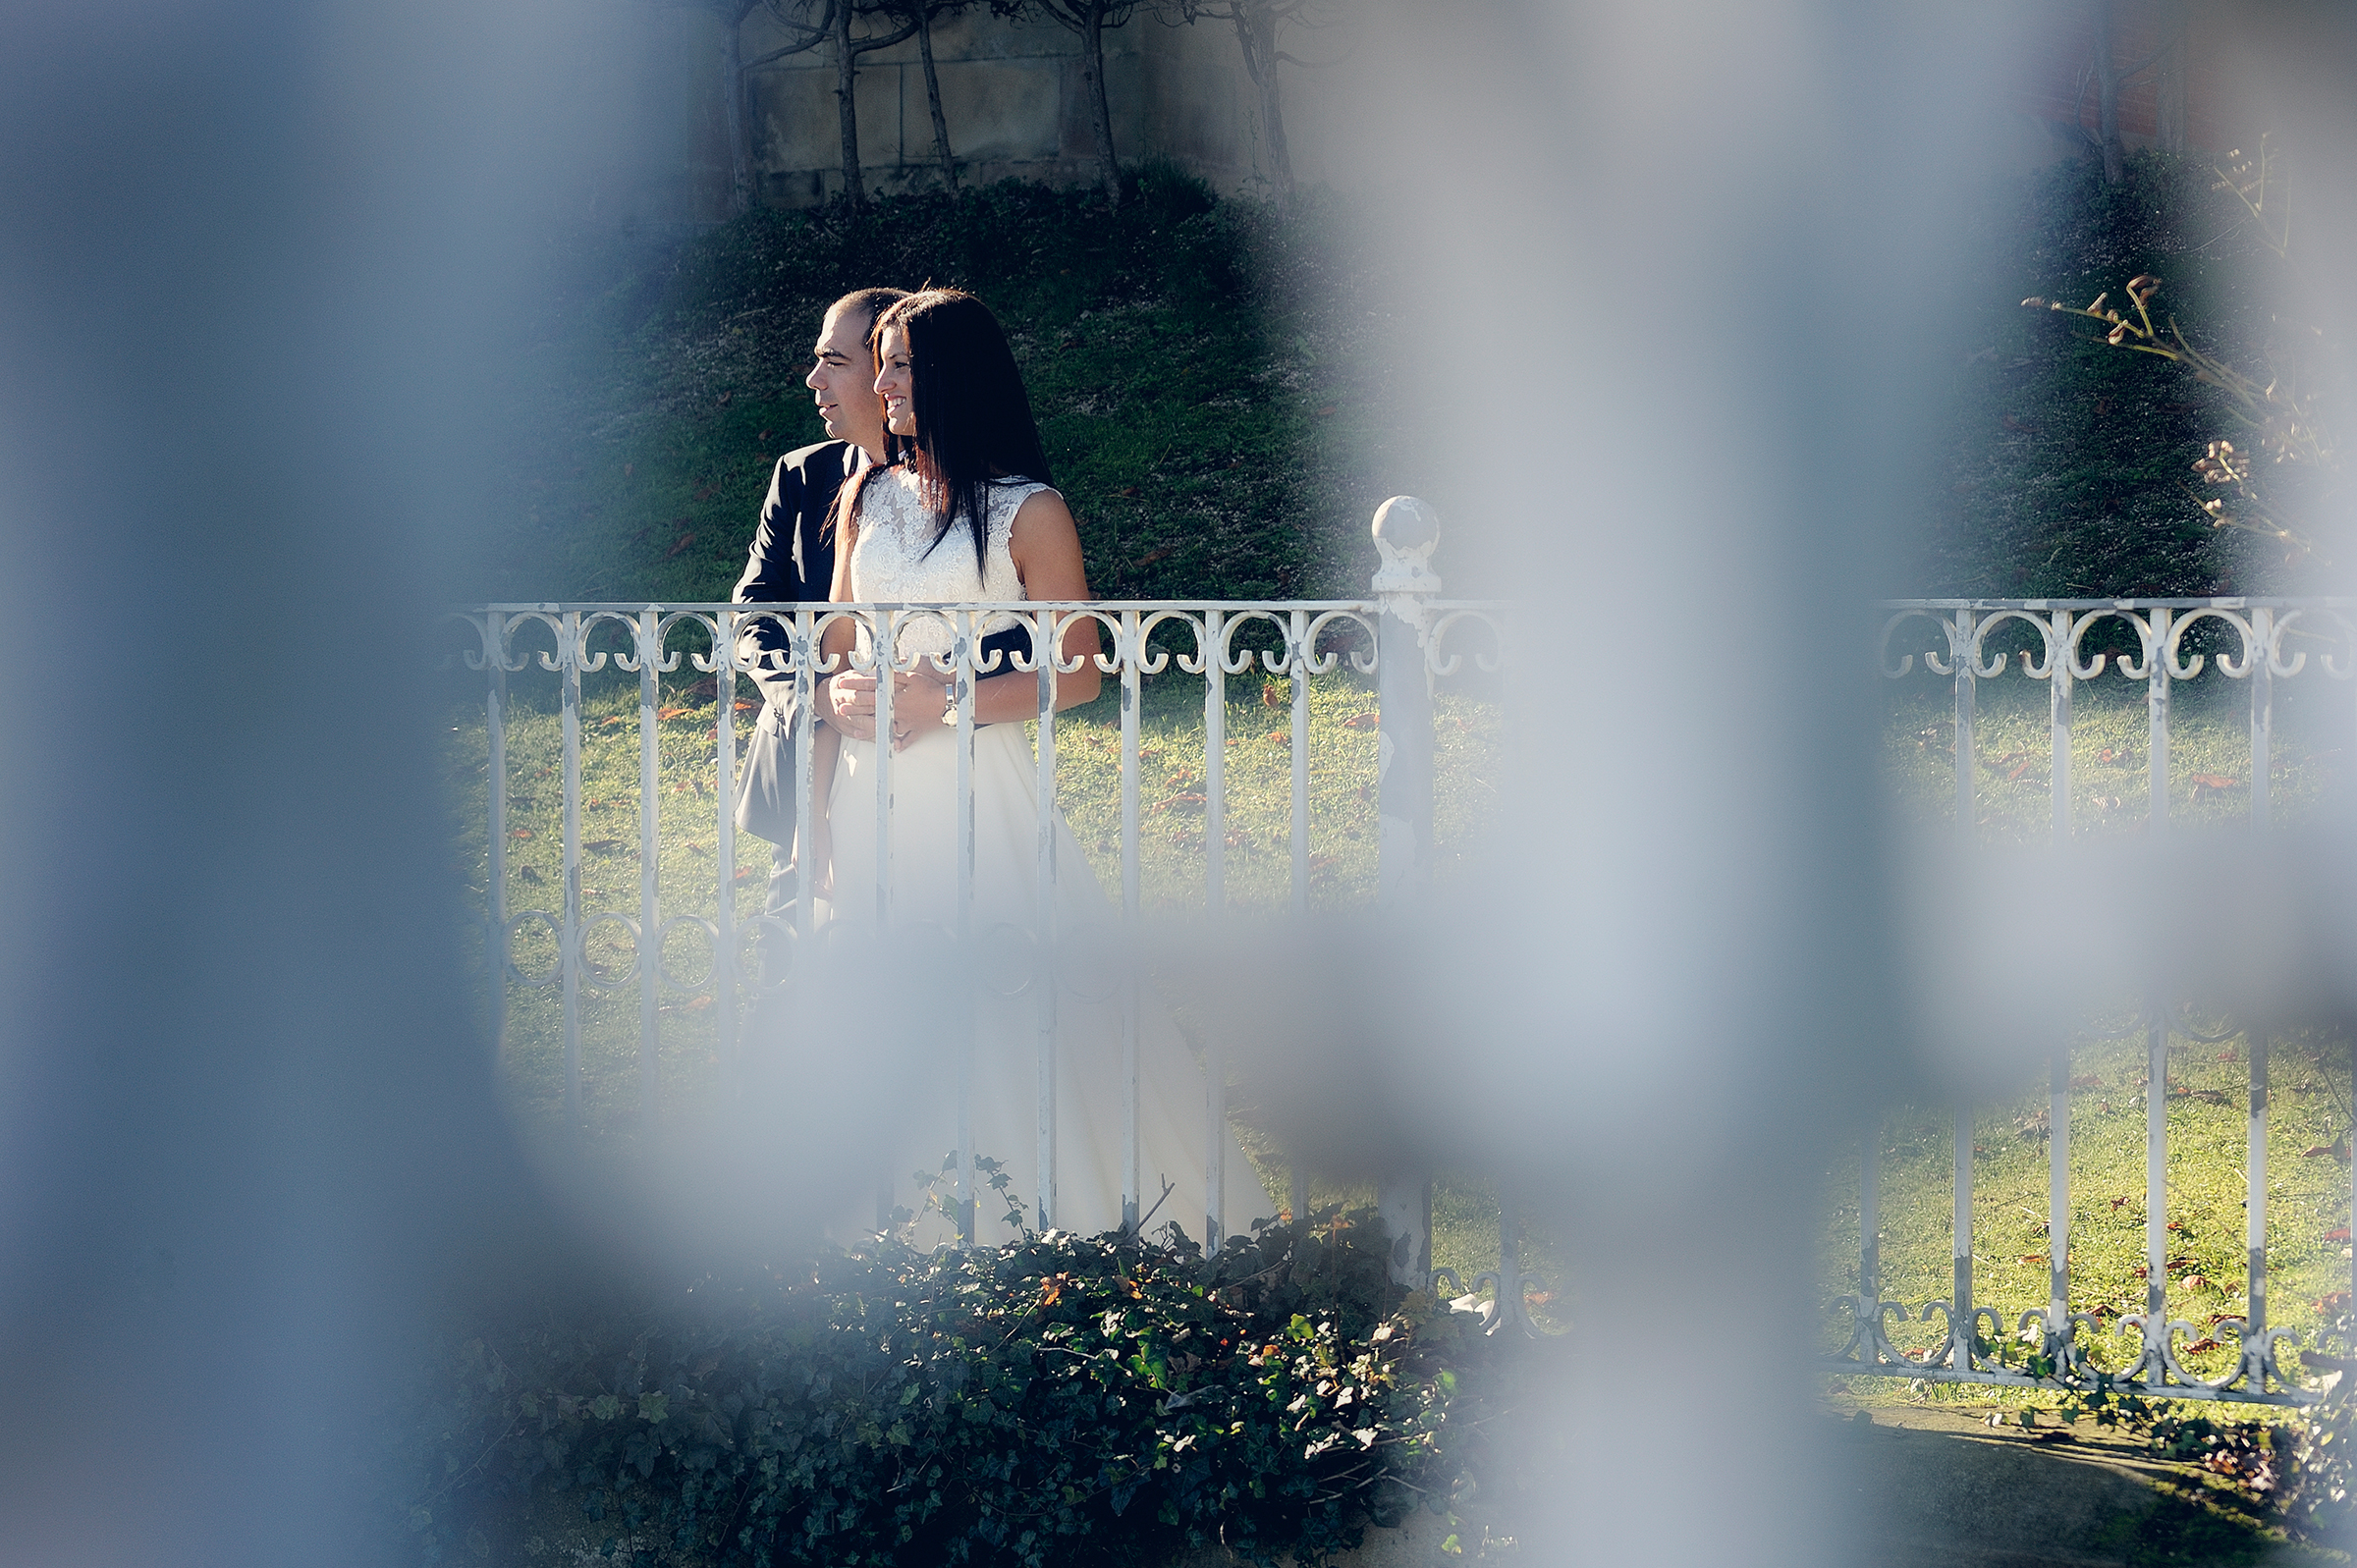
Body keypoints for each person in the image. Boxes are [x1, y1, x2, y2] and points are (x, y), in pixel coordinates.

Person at [817, 288, 1269, 1244]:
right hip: (869, 795)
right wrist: (842, 702)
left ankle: (1037, 1228)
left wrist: (944, 700)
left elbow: (1079, 672)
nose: (882, 384)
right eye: (880, 363)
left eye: (899, 364)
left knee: (1008, 998)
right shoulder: (863, 500)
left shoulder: (1029, 511)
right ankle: (885, 1240)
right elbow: (839, 646)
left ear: (952, 375)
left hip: (977, 789)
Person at [731, 287, 1028, 946]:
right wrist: (814, 695)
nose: (814, 380)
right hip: (813, 774)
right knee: (802, 967)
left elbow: (1026, 641)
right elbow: (753, 613)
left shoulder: (997, 500)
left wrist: (941, 698)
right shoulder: (804, 476)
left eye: (834, 361)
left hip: (946, 767)